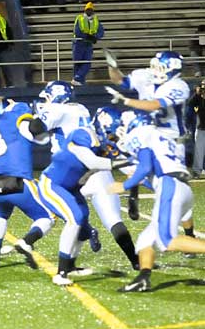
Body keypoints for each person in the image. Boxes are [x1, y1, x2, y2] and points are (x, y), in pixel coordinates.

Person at [35, 81, 140, 270]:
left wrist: (26, 117)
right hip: (99, 170)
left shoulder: (59, 110)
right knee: (111, 220)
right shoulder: (81, 110)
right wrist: (133, 196)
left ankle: (65, 263)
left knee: (65, 215)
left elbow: (36, 130)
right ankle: (135, 260)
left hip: (72, 173)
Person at [109, 111, 205, 292]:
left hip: (169, 185)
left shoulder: (140, 134)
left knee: (167, 240)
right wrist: (133, 196)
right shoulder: (159, 135)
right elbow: (145, 167)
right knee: (145, 240)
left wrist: (124, 186)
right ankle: (143, 278)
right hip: (179, 186)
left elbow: (144, 167)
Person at [105, 50, 191, 220]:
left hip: (172, 139)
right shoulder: (146, 76)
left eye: (160, 67)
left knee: (177, 186)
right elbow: (119, 80)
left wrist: (127, 101)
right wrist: (112, 66)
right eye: (155, 66)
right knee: (135, 163)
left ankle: (188, 233)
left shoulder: (179, 86)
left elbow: (155, 105)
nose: (155, 71)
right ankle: (133, 193)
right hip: (149, 132)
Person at [0, 97, 55, 271]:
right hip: (20, 181)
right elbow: (38, 134)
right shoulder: (16, 114)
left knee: (0, 216)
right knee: (47, 217)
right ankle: (26, 242)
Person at [71, 2, 104, 86]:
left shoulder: (95, 20)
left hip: (88, 45)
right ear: (85, 10)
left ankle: (77, 78)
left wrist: (95, 37)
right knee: (78, 63)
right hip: (79, 44)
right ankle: (78, 81)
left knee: (87, 63)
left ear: (93, 11)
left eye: (90, 10)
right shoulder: (80, 18)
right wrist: (89, 37)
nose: (89, 11)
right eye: (87, 10)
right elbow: (77, 31)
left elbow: (101, 32)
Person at [187, 80, 205, 178]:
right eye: (203, 86)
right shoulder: (198, 98)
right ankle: (197, 171)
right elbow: (190, 103)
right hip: (201, 128)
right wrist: (197, 94)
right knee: (199, 151)